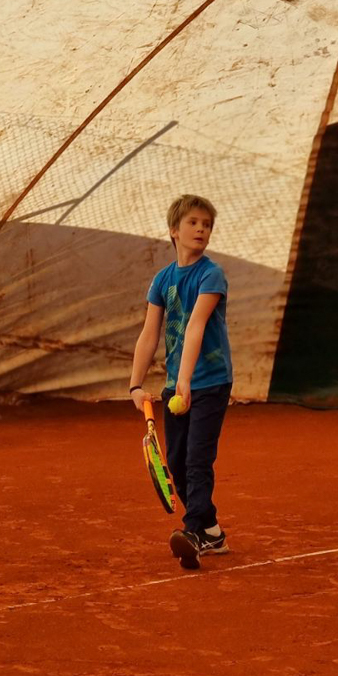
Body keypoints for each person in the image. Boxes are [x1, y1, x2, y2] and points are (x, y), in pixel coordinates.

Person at [129, 194, 233, 570]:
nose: (201, 229)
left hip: (210, 383)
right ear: (174, 230)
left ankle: (192, 533)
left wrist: (186, 381)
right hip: (178, 385)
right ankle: (212, 531)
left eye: (206, 224)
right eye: (193, 223)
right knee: (174, 459)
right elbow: (149, 333)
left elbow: (195, 326)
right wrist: (135, 384)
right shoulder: (163, 279)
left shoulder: (211, 275)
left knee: (197, 459)